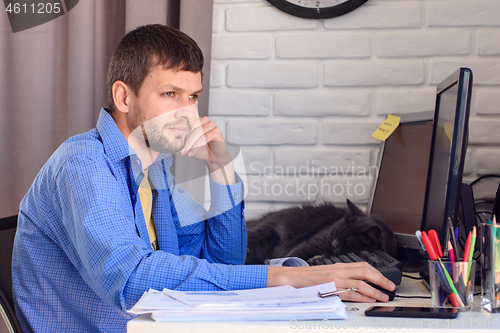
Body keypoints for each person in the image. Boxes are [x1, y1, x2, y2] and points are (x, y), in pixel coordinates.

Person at [12, 24, 395, 333]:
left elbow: (222, 260)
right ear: (124, 97)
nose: (187, 112)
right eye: (170, 93)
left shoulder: (156, 167)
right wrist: (285, 279)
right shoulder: (83, 163)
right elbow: (130, 280)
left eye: (192, 96)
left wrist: (223, 174)